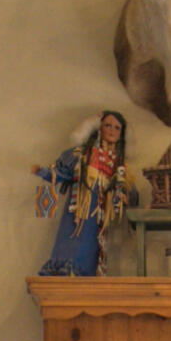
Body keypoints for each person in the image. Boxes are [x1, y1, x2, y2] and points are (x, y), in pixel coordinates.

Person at [35, 111, 138, 275]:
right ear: (99, 128)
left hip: (100, 217)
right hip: (78, 212)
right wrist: (45, 173)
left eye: (117, 128)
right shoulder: (82, 155)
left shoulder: (119, 166)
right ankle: (65, 270)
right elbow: (62, 173)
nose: (112, 130)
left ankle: (87, 272)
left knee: (93, 245)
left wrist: (125, 198)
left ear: (121, 135)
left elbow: (128, 190)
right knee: (72, 237)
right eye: (108, 125)